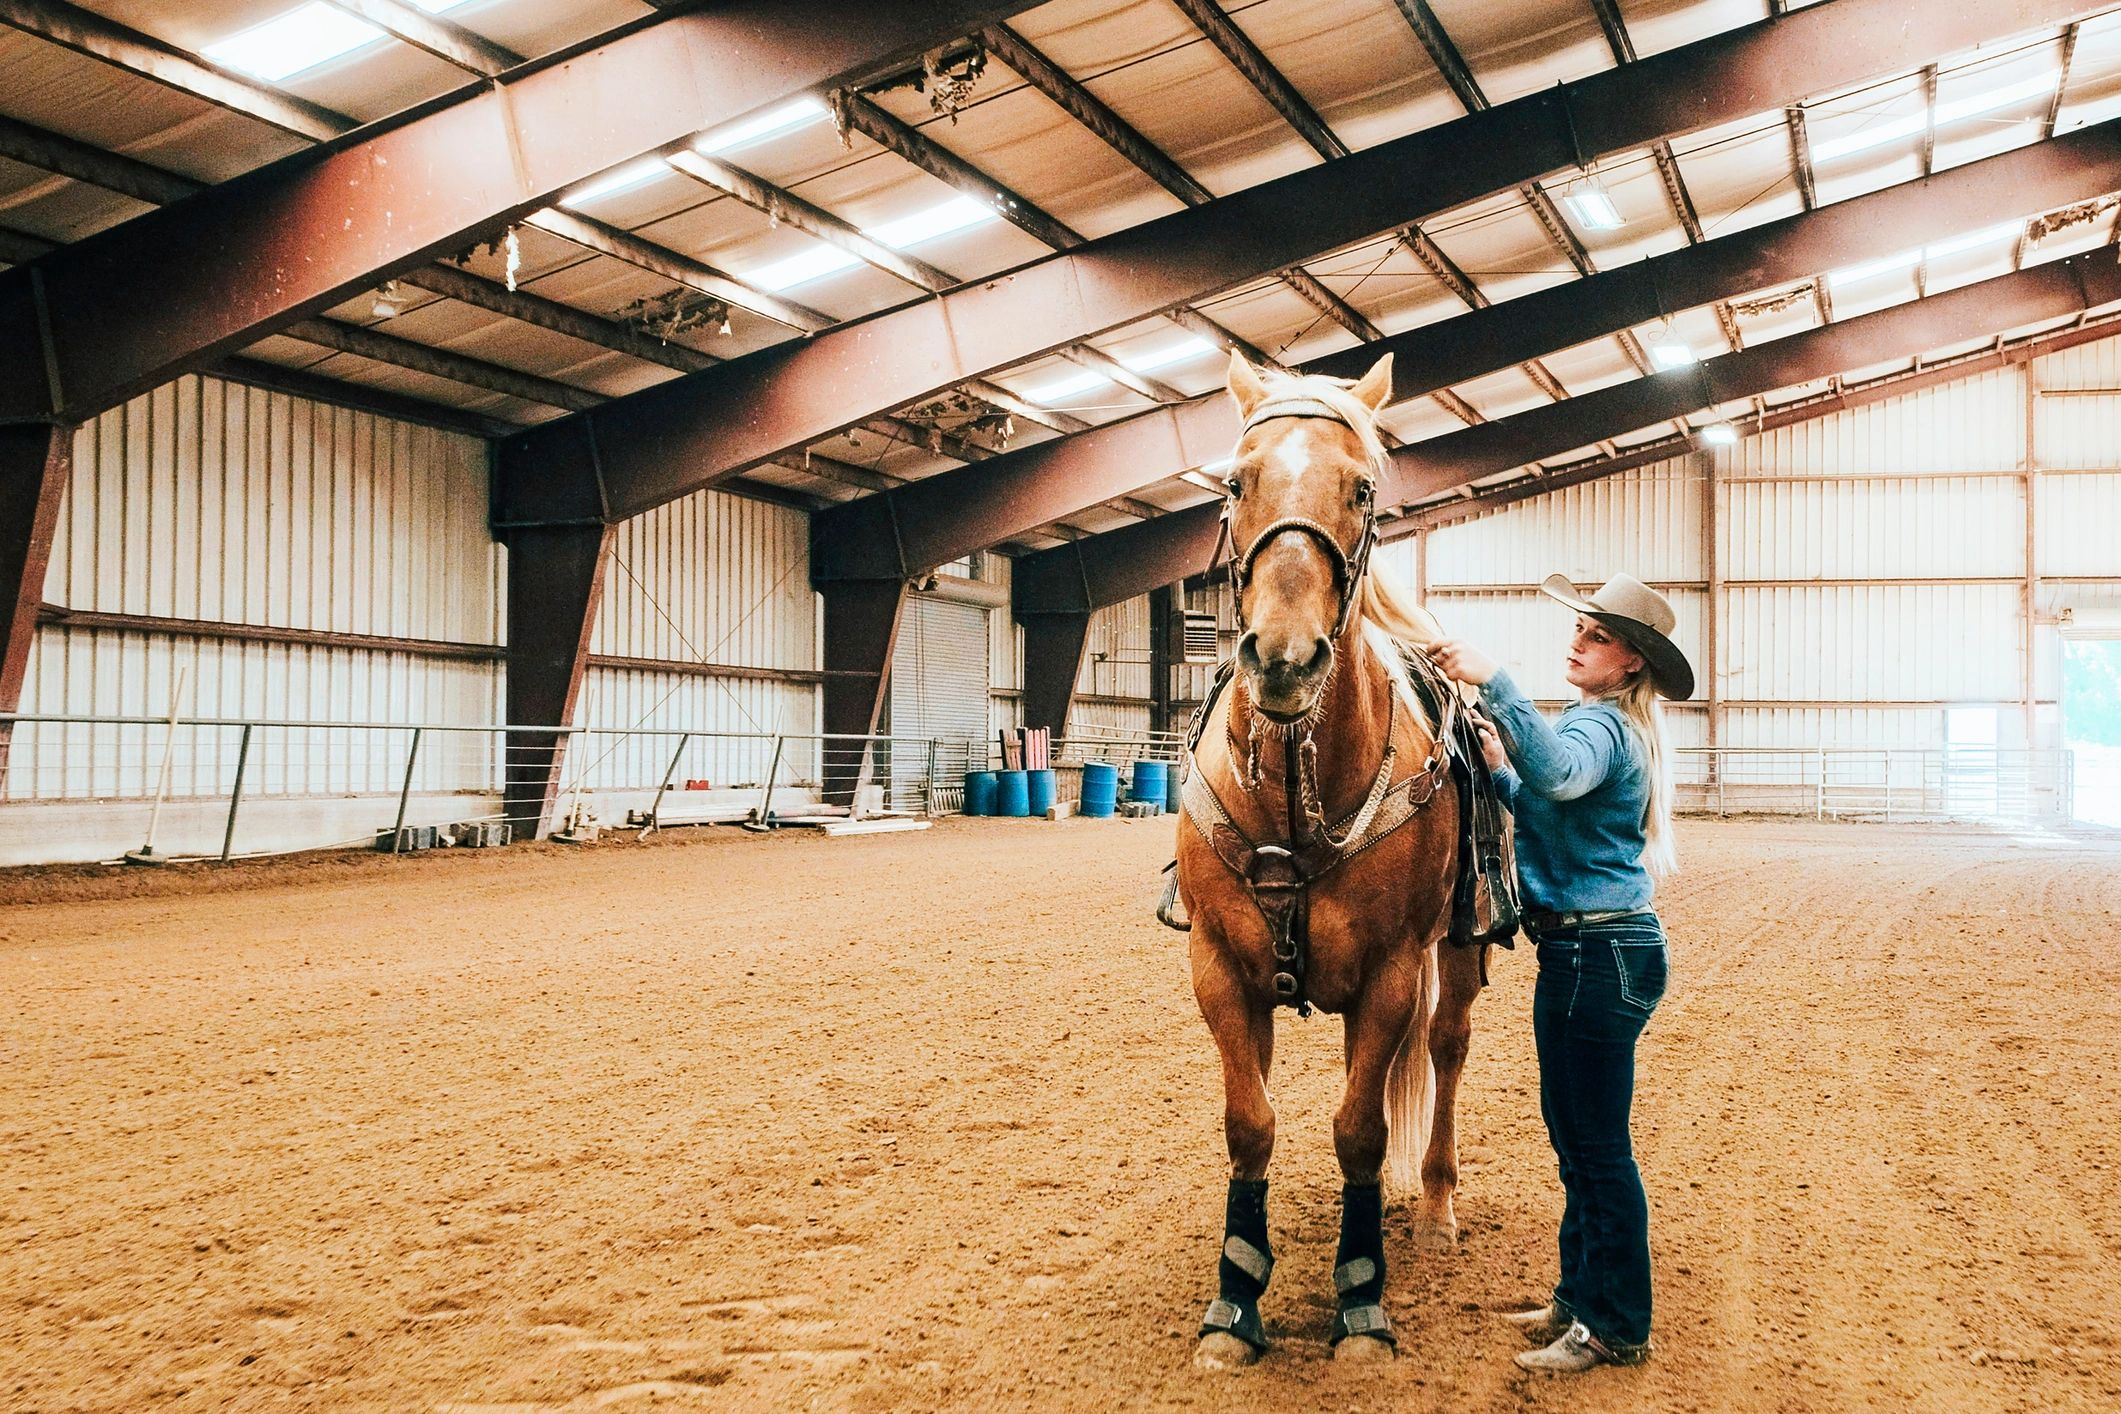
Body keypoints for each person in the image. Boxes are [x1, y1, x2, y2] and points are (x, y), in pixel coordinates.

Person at [1429, 572, 1693, 1375]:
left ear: (1630, 666)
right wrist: (1495, 761)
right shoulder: (1606, 724)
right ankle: (1579, 1299)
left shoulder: (1600, 728)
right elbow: (1546, 798)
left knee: (1597, 1149)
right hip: (1596, 952)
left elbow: (1560, 777)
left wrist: (1496, 682)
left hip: (1593, 955)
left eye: (1598, 637)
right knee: (1578, 1143)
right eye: (1581, 629)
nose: (1578, 642)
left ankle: (1612, 1324)